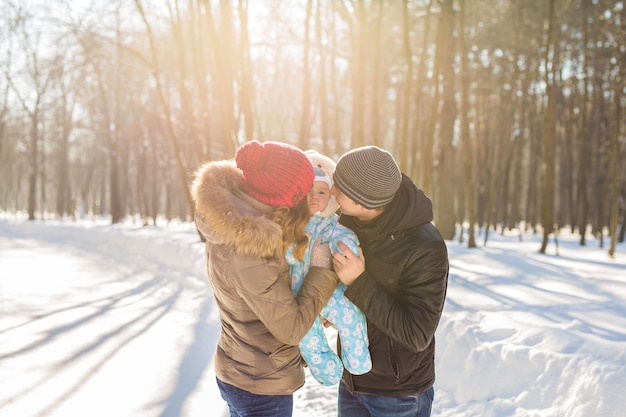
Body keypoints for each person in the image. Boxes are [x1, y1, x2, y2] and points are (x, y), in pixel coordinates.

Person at [190, 140, 339, 417]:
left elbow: (264, 300)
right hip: (260, 389)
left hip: (240, 370)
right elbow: (291, 328)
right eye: (303, 190)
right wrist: (322, 270)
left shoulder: (232, 214)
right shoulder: (251, 249)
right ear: (289, 196)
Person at [329, 146, 449, 417]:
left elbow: (416, 334)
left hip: (398, 393)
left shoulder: (425, 246)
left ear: (364, 202)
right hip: (352, 380)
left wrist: (359, 281)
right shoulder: (348, 224)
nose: (332, 192)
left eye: (340, 188)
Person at [286, 150, 372, 386]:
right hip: (301, 293)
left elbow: (345, 239)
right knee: (305, 333)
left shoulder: (334, 225)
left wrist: (348, 248)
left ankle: (358, 360)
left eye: (321, 192)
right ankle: (327, 370)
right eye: (308, 192)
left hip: (331, 290)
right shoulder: (293, 226)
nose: (314, 197)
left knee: (351, 315)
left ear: (331, 198)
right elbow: (286, 251)